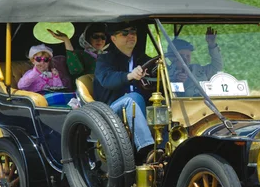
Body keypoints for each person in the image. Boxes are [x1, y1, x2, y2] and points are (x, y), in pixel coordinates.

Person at [93, 22, 156, 163]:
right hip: (110, 112)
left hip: (141, 109)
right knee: (132, 99)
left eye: (133, 32)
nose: (131, 36)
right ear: (114, 38)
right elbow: (107, 79)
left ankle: (168, 150)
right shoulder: (104, 59)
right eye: (125, 33)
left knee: (163, 105)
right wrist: (130, 75)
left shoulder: (142, 59)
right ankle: (146, 151)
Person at [167, 27, 222, 96]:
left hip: (208, 104)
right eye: (181, 56)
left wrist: (212, 45)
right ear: (171, 57)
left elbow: (217, 67)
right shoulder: (167, 75)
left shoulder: (198, 69)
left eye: (188, 56)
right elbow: (174, 99)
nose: (185, 59)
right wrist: (178, 82)